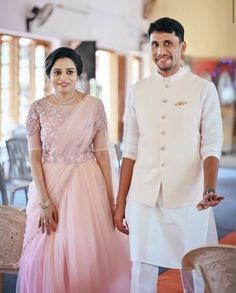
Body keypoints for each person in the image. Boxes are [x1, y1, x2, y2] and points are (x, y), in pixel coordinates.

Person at [114, 17, 224, 293]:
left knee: (193, 269)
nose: (161, 50)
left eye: (168, 43)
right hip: (144, 196)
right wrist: (120, 202)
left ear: (182, 46)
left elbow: (211, 146)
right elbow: (130, 148)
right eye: (155, 44)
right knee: (141, 266)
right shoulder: (138, 90)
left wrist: (209, 187)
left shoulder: (203, 89)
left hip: (190, 195)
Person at [16, 47, 131, 293]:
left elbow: (102, 155)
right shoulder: (37, 109)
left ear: (78, 74)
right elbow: (34, 158)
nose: (63, 77)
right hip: (49, 183)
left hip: (87, 184)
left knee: (85, 249)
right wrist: (45, 201)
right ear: (49, 75)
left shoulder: (94, 106)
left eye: (69, 71)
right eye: (57, 72)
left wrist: (111, 203)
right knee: (48, 247)